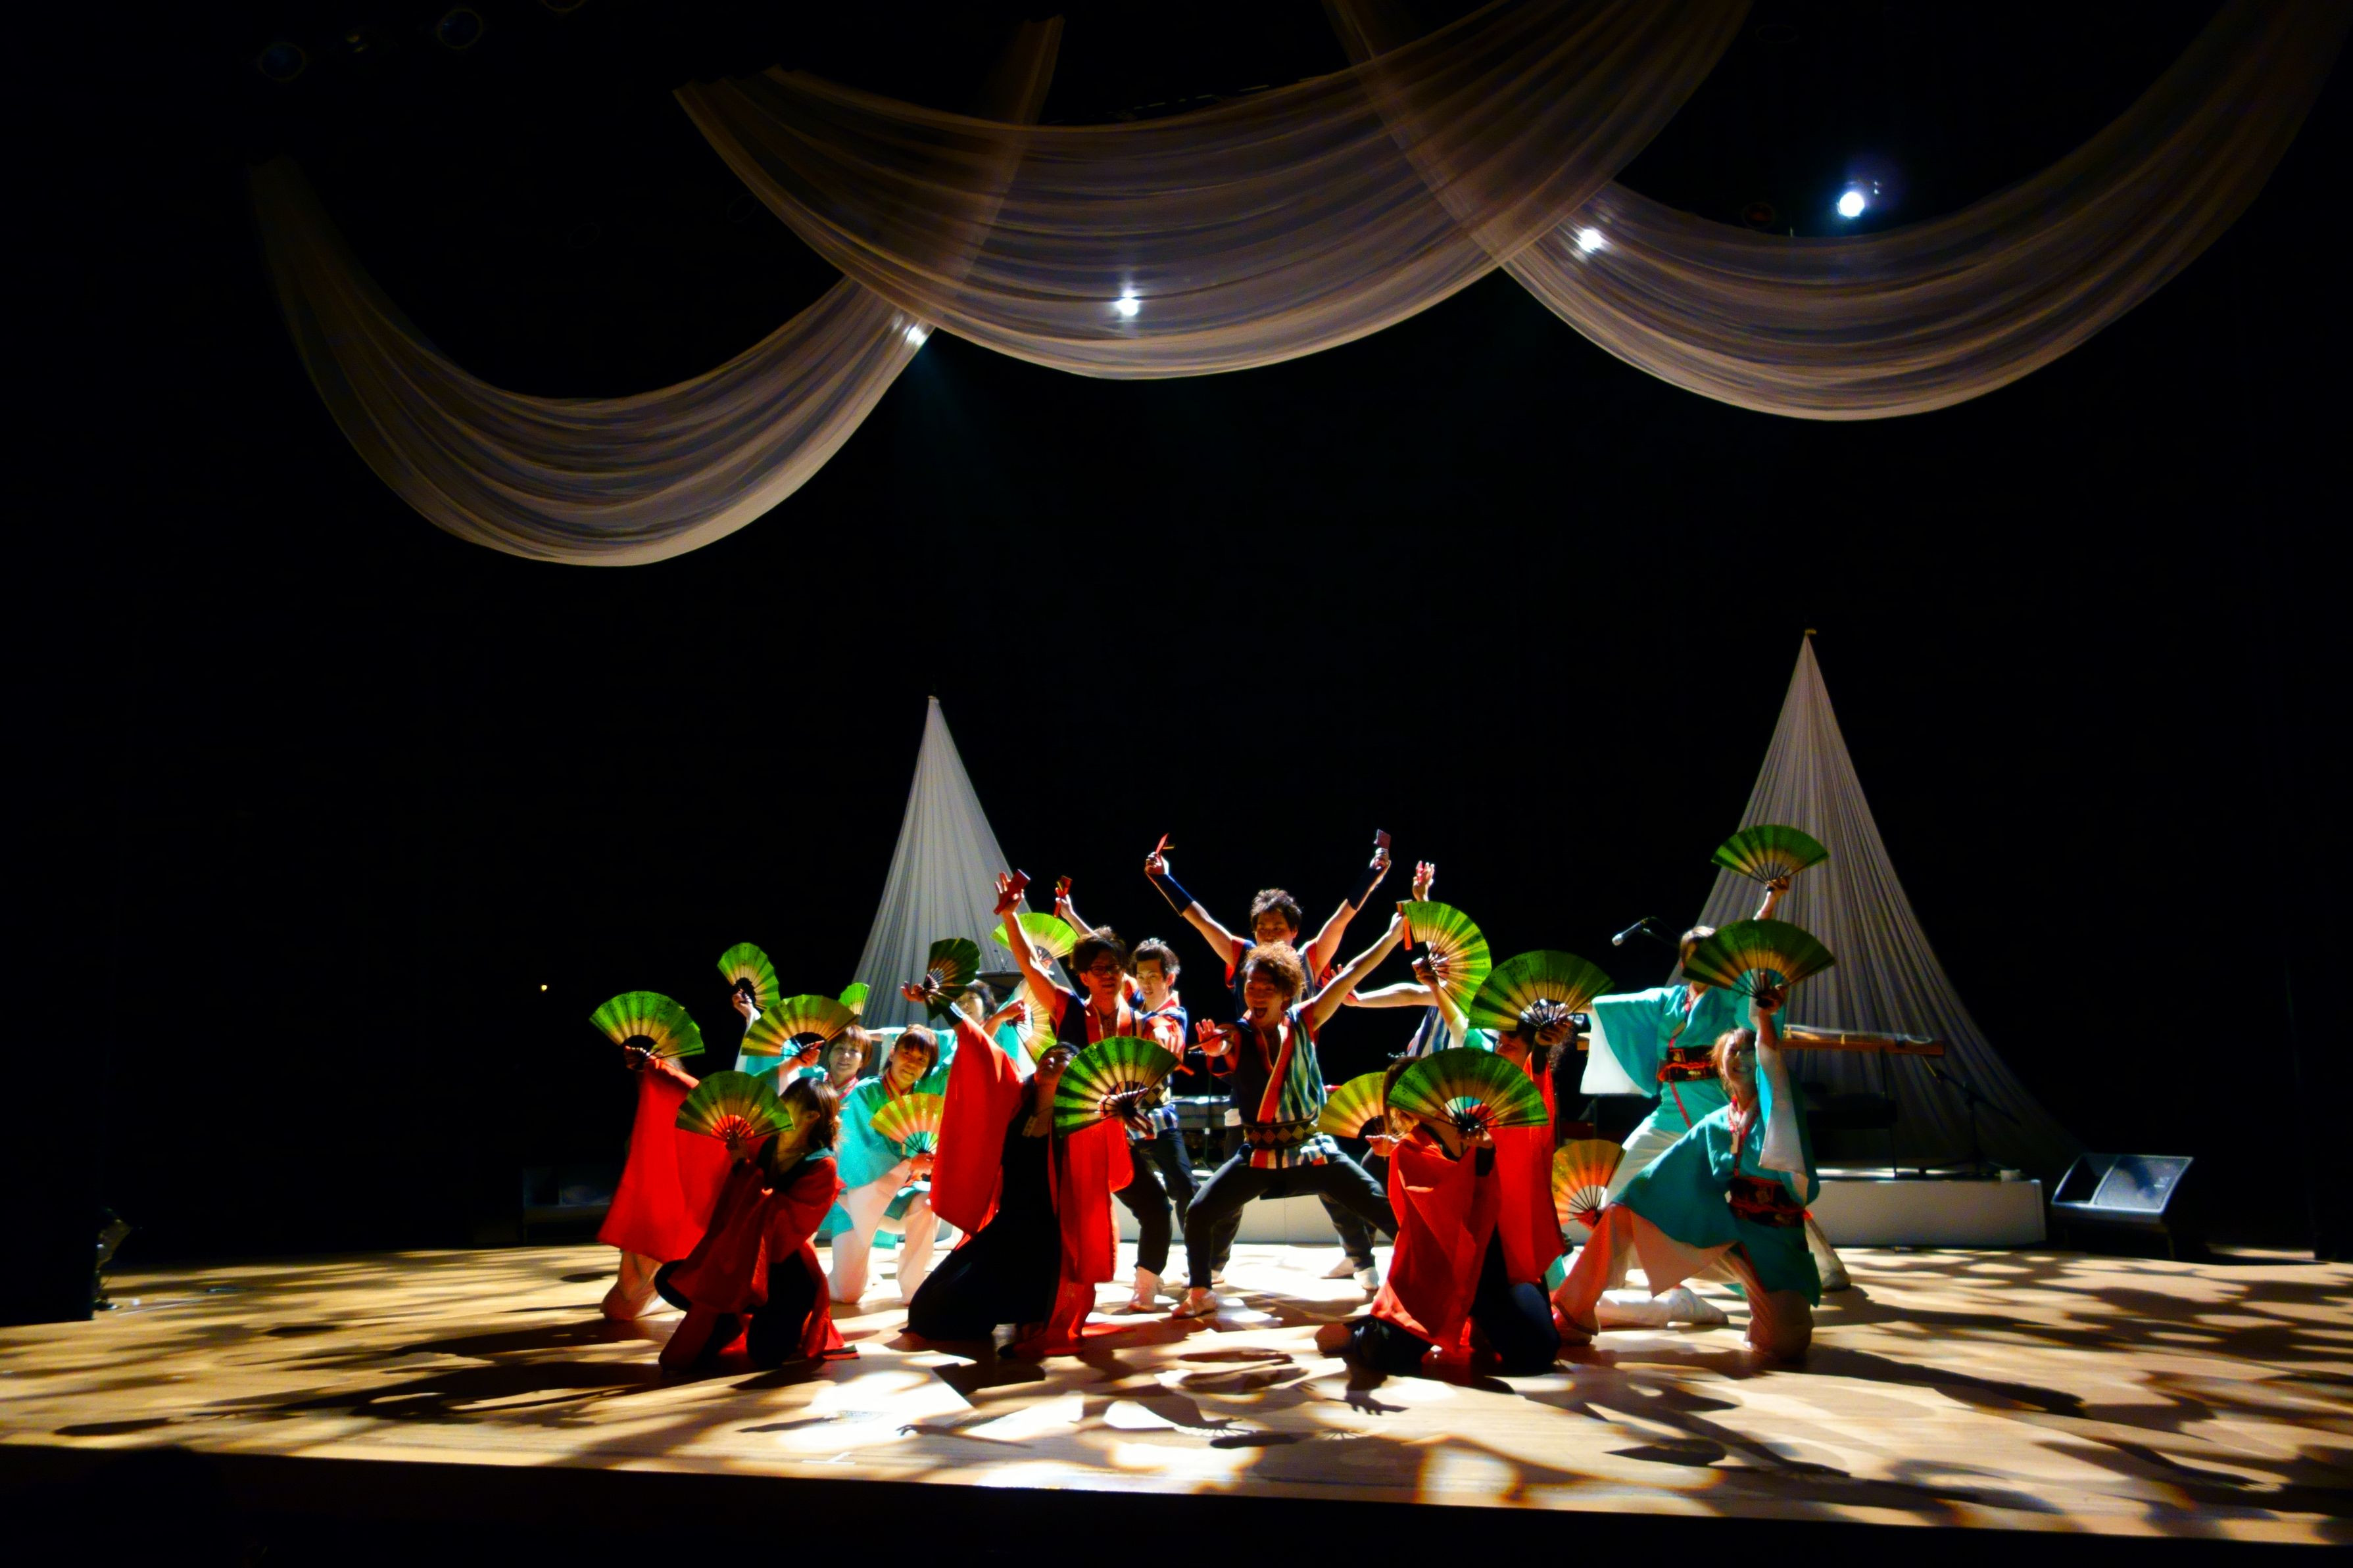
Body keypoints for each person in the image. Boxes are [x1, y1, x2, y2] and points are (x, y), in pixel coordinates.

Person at [1146, 840, 1395, 1286]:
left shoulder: (1308, 969)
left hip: (1299, 1086)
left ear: (1293, 931)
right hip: (1249, 1090)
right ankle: (1213, 1266)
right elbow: (1200, 919)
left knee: (1332, 1180)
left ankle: (1362, 1260)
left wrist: (1374, 875)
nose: (1269, 934)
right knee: (1231, 1184)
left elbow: (1345, 923)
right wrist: (1164, 879)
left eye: (1278, 927)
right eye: (1262, 927)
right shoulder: (1242, 957)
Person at [1555, 993, 1820, 1362]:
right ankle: (1573, 1313)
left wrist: (1764, 1022)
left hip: (1773, 1246)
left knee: (1784, 1345)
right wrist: (1625, 1207)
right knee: (1623, 1210)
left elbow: (1773, 1067)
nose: (1740, 1059)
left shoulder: (1779, 1114)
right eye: (1732, 1053)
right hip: (1727, 1240)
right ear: (1719, 1064)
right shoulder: (1716, 1125)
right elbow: (1663, 1176)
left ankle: (1707, 1305)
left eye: (1749, 1052)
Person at [1171, 918, 1408, 1321]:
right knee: (1200, 1211)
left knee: (1386, 1211)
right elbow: (1224, 1046)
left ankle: (1417, 1283)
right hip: (1259, 1155)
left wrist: (1390, 937)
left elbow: (1352, 972)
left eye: (1268, 988)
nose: (1258, 993)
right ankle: (1201, 1292)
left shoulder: (1304, 1020)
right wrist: (1215, 1050)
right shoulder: (1236, 1033)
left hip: (1311, 1150)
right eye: (1252, 986)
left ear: (1286, 993)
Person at [904, 984, 1132, 1354]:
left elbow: (1116, 1173)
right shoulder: (1015, 1097)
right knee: (926, 1312)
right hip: (1008, 1229)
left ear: (1079, 1075)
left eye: (1063, 1058)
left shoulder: (1087, 1117)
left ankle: (1029, 1310)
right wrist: (942, 1001)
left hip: (1051, 1242)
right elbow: (981, 1049)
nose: (1051, 1059)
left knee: (1010, 1313)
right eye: (1048, 1055)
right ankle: (1007, 1308)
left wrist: (1117, 1117)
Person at [994, 877, 1177, 1310]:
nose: (1108, 975)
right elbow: (1030, 966)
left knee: (1156, 1207)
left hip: (1117, 1138)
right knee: (1057, 1217)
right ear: (1083, 977)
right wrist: (1011, 916)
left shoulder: (1142, 1021)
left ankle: (1145, 1286)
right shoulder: (1068, 1007)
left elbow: (1158, 1060)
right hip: (1071, 1137)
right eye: (1098, 969)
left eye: (1114, 967)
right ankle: (1042, 1294)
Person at [1315, 1057, 1561, 1376]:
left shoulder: (1481, 1122)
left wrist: (1539, 1052)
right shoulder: (1410, 1149)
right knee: (1392, 1357)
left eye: (1426, 1085)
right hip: (1436, 1277)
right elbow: (1441, 1205)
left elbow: (1526, 1122)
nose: (1423, 1096)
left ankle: (1483, 1325)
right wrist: (1482, 1159)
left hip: (1491, 1269)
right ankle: (1363, 1331)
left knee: (1538, 1353)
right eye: (1410, 1093)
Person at [654, 1076, 851, 1370]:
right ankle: (729, 1317)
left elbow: (782, 1221)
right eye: (782, 1099)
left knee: (765, 1356)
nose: (778, 1106)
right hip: (742, 1256)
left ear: (811, 1117)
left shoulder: (822, 1164)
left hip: (786, 1269)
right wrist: (660, 1071)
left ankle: (762, 1318)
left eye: (789, 1104)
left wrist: (743, 1168)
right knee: (670, 1279)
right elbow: (711, 1104)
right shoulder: (762, 1143)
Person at [598, 1045, 731, 1321]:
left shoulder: (692, 1104)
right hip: (657, 1206)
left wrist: (655, 1066)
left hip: (682, 1208)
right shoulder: (648, 1119)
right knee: (618, 1308)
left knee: (622, 1308)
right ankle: (667, 1292)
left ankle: (680, 1290)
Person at [828, 1026, 944, 1308]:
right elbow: (860, 1153)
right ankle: (848, 1271)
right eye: (907, 1054)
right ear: (892, 1053)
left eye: (921, 1060)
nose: (912, 1064)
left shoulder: (923, 1098)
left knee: (929, 1202)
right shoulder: (864, 1094)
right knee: (847, 1294)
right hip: (856, 1198)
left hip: (899, 1196)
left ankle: (914, 1288)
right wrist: (909, 1164)